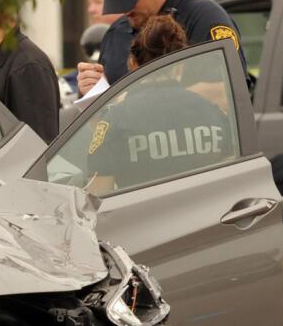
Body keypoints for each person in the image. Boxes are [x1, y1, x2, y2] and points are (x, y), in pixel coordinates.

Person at [80, 14, 235, 195]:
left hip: (144, 220)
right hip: (205, 219)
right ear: (180, 66)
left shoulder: (117, 119)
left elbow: (97, 197)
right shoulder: (213, 113)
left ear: (133, 63)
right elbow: (231, 181)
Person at [77, 0, 245, 97]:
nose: (125, 9)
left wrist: (133, 101)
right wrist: (95, 93)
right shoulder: (116, 33)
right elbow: (103, 122)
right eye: (117, 2)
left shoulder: (206, 20)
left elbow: (229, 93)